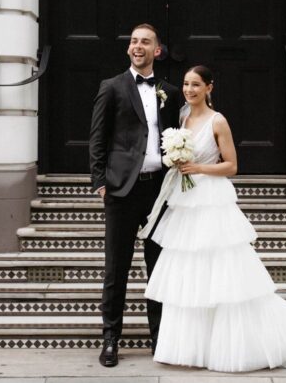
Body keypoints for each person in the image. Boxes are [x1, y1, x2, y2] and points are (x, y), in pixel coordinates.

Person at [142, 65, 286, 372]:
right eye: (186, 84)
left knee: (220, 269)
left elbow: (231, 166)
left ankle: (228, 347)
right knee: (190, 271)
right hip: (185, 201)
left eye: (196, 85)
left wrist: (199, 169)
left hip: (211, 199)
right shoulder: (181, 118)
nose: (189, 90)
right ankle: (192, 348)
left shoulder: (218, 121)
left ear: (209, 88)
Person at [89, 23, 183, 368]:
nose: (137, 46)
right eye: (133, 41)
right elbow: (98, 137)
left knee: (158, 267)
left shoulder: (170, 91)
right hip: (122, 190)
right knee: (117, 268)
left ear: (157, 50)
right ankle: (111, 338)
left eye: (145, 42)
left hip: (159, 190)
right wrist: (100, 181)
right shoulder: (112, 87)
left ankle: (161, 340)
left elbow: (173, 135)